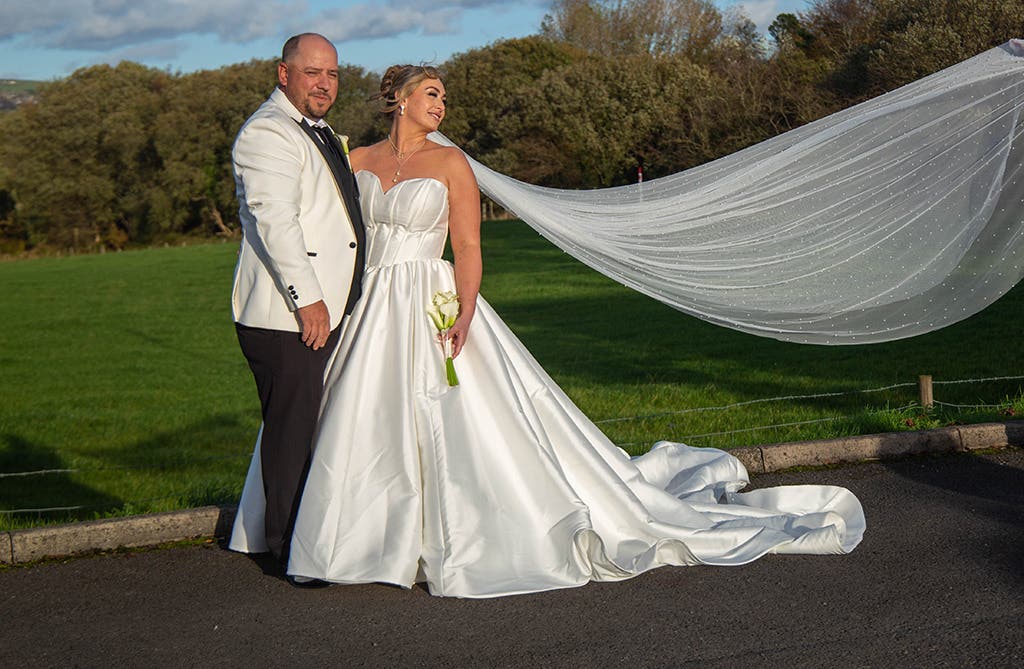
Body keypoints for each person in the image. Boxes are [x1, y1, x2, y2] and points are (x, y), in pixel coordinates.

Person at [231, 65, 866, 598]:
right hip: (368, 303)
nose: (441, 103)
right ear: (398, 97)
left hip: (430, 297)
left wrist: (466, 309)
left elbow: (469, 247)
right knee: (358, 417)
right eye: (431, 92)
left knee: (444, 420)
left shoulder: (453, 164)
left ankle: (449, 532)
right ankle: (359, 536)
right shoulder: (357, 157)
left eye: (444, 96)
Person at [228, 33, 365, 567]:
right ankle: (288, 552)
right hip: (286, 317)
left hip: (321, 311)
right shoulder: (267, 133)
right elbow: (277, 224)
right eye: (312, 73)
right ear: (283, 73)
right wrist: (308, 301)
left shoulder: (319, 132)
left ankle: (299, 538)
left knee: (307, 428)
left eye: (331, 74)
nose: (324, 84)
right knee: (291, 436)